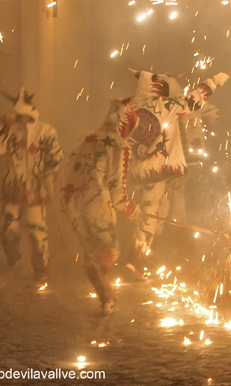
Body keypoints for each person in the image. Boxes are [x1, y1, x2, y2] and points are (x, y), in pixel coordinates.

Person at [126, 70, 229, 272]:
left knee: (159, 210)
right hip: (154, 172)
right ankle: (137, 260)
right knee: (151, 213)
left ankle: (144, 254)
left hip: (142, 171)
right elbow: (192, 101)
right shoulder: (162, 106)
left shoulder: (132, 107)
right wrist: (213, 82)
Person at [61, 98, 146, 314]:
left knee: (90, 252)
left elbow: (68, 170)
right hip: (97, 206)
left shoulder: (85, 138)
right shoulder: (119, 145)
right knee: (110, 250)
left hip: (73, 203)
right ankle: (107, 296)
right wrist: (133, 211)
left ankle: (106, 300)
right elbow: (117, 190)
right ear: (126, 125)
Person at [0, 87, 63, 285]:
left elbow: (56, 157)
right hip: (13, 185)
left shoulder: (46, 131)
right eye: (18, 116)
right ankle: (13, 257)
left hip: (36, 187)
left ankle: (41, 270)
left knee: (36, 230)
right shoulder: (9, 130)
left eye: (24, 115)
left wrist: (50, 176)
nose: (22, 119)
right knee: (8, 227)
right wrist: (4, 125)